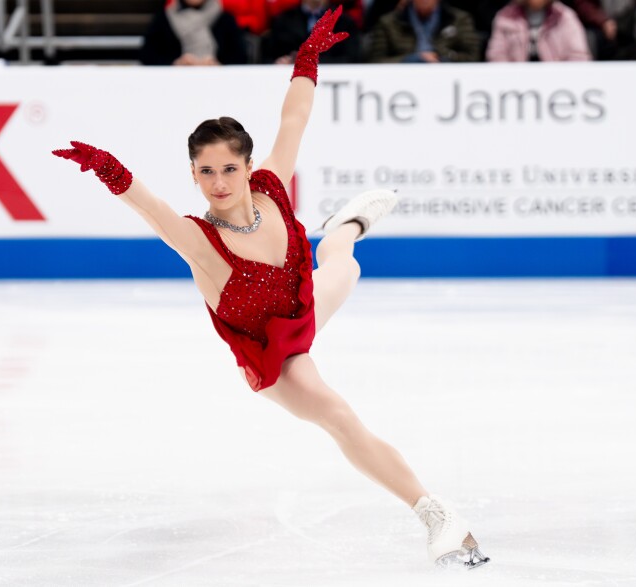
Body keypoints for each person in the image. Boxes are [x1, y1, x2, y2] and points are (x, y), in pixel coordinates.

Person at [54, 7, 489, 570]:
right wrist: (107, 167)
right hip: (272, 356)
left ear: (247, 166)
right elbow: (148, 205)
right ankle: (436, 515)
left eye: (229, 170)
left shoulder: (271, 188)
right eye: (206, 172)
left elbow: (294, 118)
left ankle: (347, 227)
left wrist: (307, 59)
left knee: (346, 266)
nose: (219, 184)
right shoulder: (198, 240)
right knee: (338, 415)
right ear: (193, 174)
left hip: (301, 305)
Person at [367, 0, 482, 63]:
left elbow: (473, 57)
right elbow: (376, 60)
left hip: (447, 77)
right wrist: (409, 60)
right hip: (402, 79)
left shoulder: (458, 20)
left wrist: (443, 57)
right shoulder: (389, 23)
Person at [141, 0, 248, 66]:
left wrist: (217, 65)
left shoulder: (225, 19)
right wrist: (175, 64)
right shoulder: (164, 19)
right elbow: (148, 56)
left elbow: (240, 57)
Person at [486, 0, 592, 61]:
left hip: (558, 85)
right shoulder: (505, 17)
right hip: (515, 87)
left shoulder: (565, 17)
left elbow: (578, 57)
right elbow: (496, 57)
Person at [262, 0, 361, 63]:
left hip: (331, 79)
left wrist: (311, 60)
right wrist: (278, 62)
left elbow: (353, 58)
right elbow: (266, 57)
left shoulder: (344, 21)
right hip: (289, 81)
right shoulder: (283, 20)